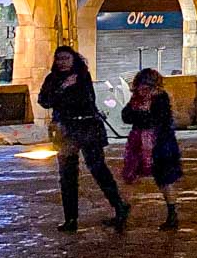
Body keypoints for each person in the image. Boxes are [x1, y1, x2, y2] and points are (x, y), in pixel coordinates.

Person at [36, 46, 128, 233]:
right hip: (66, 131)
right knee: (67, 176)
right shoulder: (52, 79)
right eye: (59, 58)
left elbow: (84, 101)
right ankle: (70, 219)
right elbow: (44, 101)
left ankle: (119, 206)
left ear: (73, 60)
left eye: (66, 58)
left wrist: (65, 92)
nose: (62, 62)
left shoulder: (82, 77)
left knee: (98, 168)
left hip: (87, 128)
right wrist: (62, 88)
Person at [120, 68, 184, 229]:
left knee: (165, 180)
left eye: (146, 86)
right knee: (131, 177)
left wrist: (141, 116)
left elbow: (159, 119)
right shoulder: (136, 99)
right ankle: (122, 213)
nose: (142, 89)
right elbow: (126, 116)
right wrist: (141, 115)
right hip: (137, 145)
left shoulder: (161, 99)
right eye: (140, 85)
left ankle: (172, 214)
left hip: (160, 145)